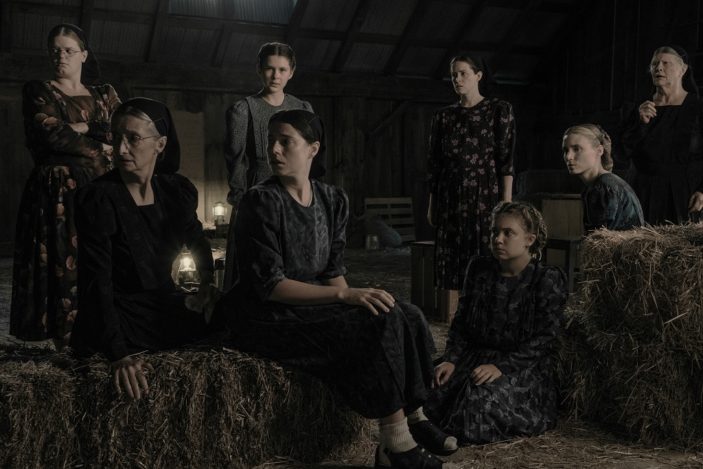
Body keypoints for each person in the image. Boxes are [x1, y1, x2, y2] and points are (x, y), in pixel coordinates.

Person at [215, 109, 458, 468]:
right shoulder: (260, 201)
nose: (274, 150)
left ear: (312, 149)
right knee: (375, 322)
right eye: (271, 142)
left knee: (404, 313)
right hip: (268, 313)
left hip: (311, 303)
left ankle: (417, 415)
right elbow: (270, 285)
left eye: (286, 142)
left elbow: (332, 271)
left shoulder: (332, 200)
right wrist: (346, 296)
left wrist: (358, 300)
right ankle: (395, 444)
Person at [70, 98, 219, 400]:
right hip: (117, 314)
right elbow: (96, 281)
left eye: (133, 138)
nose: (121, 149)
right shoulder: (99, 198)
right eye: (116, 137)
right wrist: (118, 353)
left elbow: (197, 240)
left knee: (229, 319)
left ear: (160, 144)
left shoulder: (175, 191)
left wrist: (206, 285)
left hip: (160, 306)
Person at [11, 23, 121, 348]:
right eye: (55, 50)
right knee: (63, 263)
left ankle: (106, 332)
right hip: (57, 192)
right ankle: (67, 342)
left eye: (69, 50)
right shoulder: (39, 91)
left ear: (83, 55)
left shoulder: (105, 94)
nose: (61, 56)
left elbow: (118, 130)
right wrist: (99, 140)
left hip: (100, 187)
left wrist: (78, 127)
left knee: (101, 259)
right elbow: (50, 136)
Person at [425, 201, 568, 445]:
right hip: (475, 356)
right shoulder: (479, 269)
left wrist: (501, 367)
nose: (497, 239)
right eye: (494, 232)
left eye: (508, 233)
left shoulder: (546, 279)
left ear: (529, 239)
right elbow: (461, 322)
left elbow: (546, 338)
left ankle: (449, 436)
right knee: (429, 388)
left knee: (476, 403)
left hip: (521, 366)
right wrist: (451, 359)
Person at [223, 42, 321, 290]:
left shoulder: (302, 108)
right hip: (258, 188)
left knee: (296, 255)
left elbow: (310, 156)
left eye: (282, 69)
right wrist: (241, 199)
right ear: (259, 69)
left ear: (291, 72)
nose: (275, 76)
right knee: (257, 260)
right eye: (269, 68)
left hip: (296, 191)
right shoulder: (244, 109)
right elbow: (235, 159)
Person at [427, 53, 515, 307]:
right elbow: (434, 164)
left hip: (484, 194)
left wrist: (506, 203)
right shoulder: (443, 116)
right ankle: (457, 314)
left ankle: (488, 310)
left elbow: (506, 160)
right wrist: (432, 204)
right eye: (453, 75)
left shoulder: (498, 110)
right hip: (450, 195)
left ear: (478, 75)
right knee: (452, 257)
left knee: (485, 253)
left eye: (463, 73)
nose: (457, 79)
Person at [620, 45, 703, 224]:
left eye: (666, 63)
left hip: (682, 193)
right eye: (654, 64)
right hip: (640, 190)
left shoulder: (697, 107)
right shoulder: (638, 108)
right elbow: (621, 153)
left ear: (683, 69)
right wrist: (640, 124)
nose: (658, 68)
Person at [563, 124, 644, 232]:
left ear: (599, 150)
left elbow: (600, 238)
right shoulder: (597, 186)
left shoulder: (604, 188)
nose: (568, 157)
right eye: (565, 150)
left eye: (576, 149)